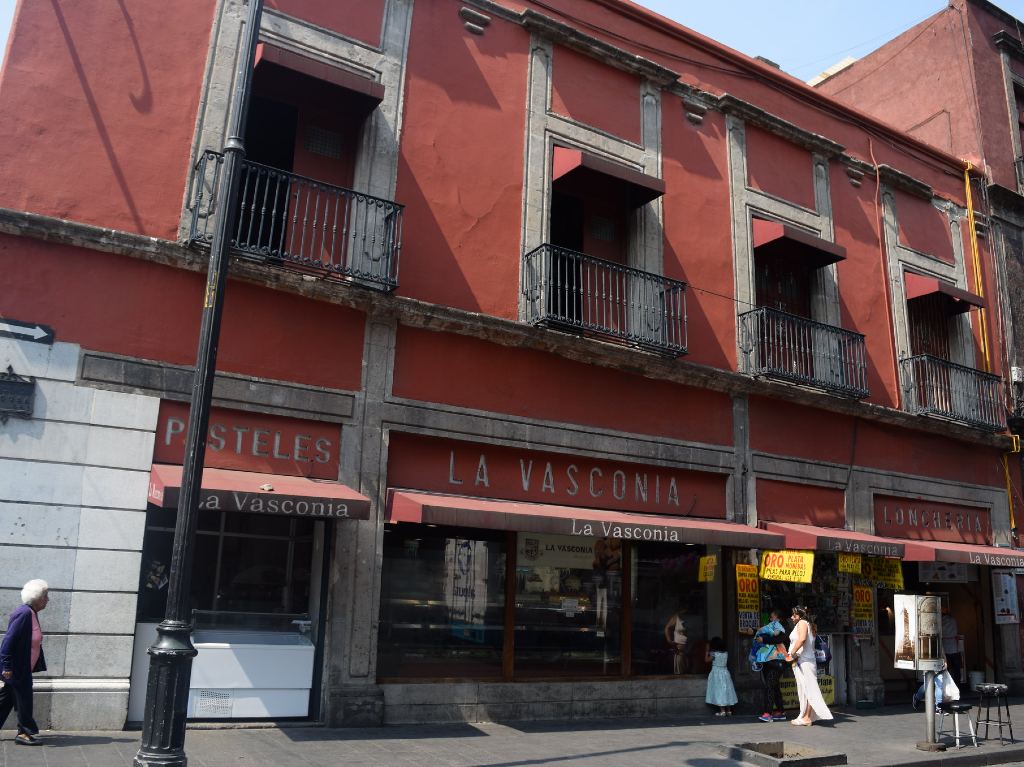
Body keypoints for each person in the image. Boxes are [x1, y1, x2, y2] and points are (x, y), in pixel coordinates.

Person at [0, 580, 49, 746]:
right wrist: (6, 667)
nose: (47, 600)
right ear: (36, 598)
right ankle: (24, 733)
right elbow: (7, 642)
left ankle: (24, 731)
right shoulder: (24, 614)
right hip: (17, 669)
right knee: (24, 701)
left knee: (6, 700)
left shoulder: (31, 613)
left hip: (21, 667)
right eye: (45, 596)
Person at [787, 605, 833, 726]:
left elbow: (802, 639)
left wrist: (792, 653)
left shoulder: (802, 623)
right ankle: (805, 716)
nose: (792, 617)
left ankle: (807, 717)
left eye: (794, 615)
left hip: (804, 661)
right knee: (807, 689)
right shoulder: (809, 624)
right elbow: (810, 646)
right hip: (806, 660)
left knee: (808, 689)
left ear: (800, 616)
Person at [750, 610, 789, 722]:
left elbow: (778, 639)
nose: (770, 619)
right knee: (774, 686)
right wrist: (753, 632)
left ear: (779, 618)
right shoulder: (770, 627)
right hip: (768, 660)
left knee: (769, 686)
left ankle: (768, 713)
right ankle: (781, 711)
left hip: (777, 661)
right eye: (770, 618)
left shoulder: (783, 628)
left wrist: (764, 639)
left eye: (772, 617)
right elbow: (763, 632)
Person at [705, 636, 738, 716]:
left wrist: (706, 651)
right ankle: (729, 710)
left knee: (720, 691)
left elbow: (706, 660)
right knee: (727, 690)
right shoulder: (726, 653)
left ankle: (722, 711)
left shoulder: (713, 653)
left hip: (716, 673)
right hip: (725, 672)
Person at [941, 606, 962, 684]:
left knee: (947, 667)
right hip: (954, 647)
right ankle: (957, 684)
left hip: (945, 647)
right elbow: (956, 632)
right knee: (956, 668)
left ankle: (947, 684)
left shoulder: (940, 622)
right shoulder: (953, 620)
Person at [664, 610, 688, 674]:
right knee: (679, 669)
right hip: (678, 648)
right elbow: (667, 628)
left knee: (685, 668)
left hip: (686, 648)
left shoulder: (688, 618)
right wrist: (669, 640)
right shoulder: (676, 618)